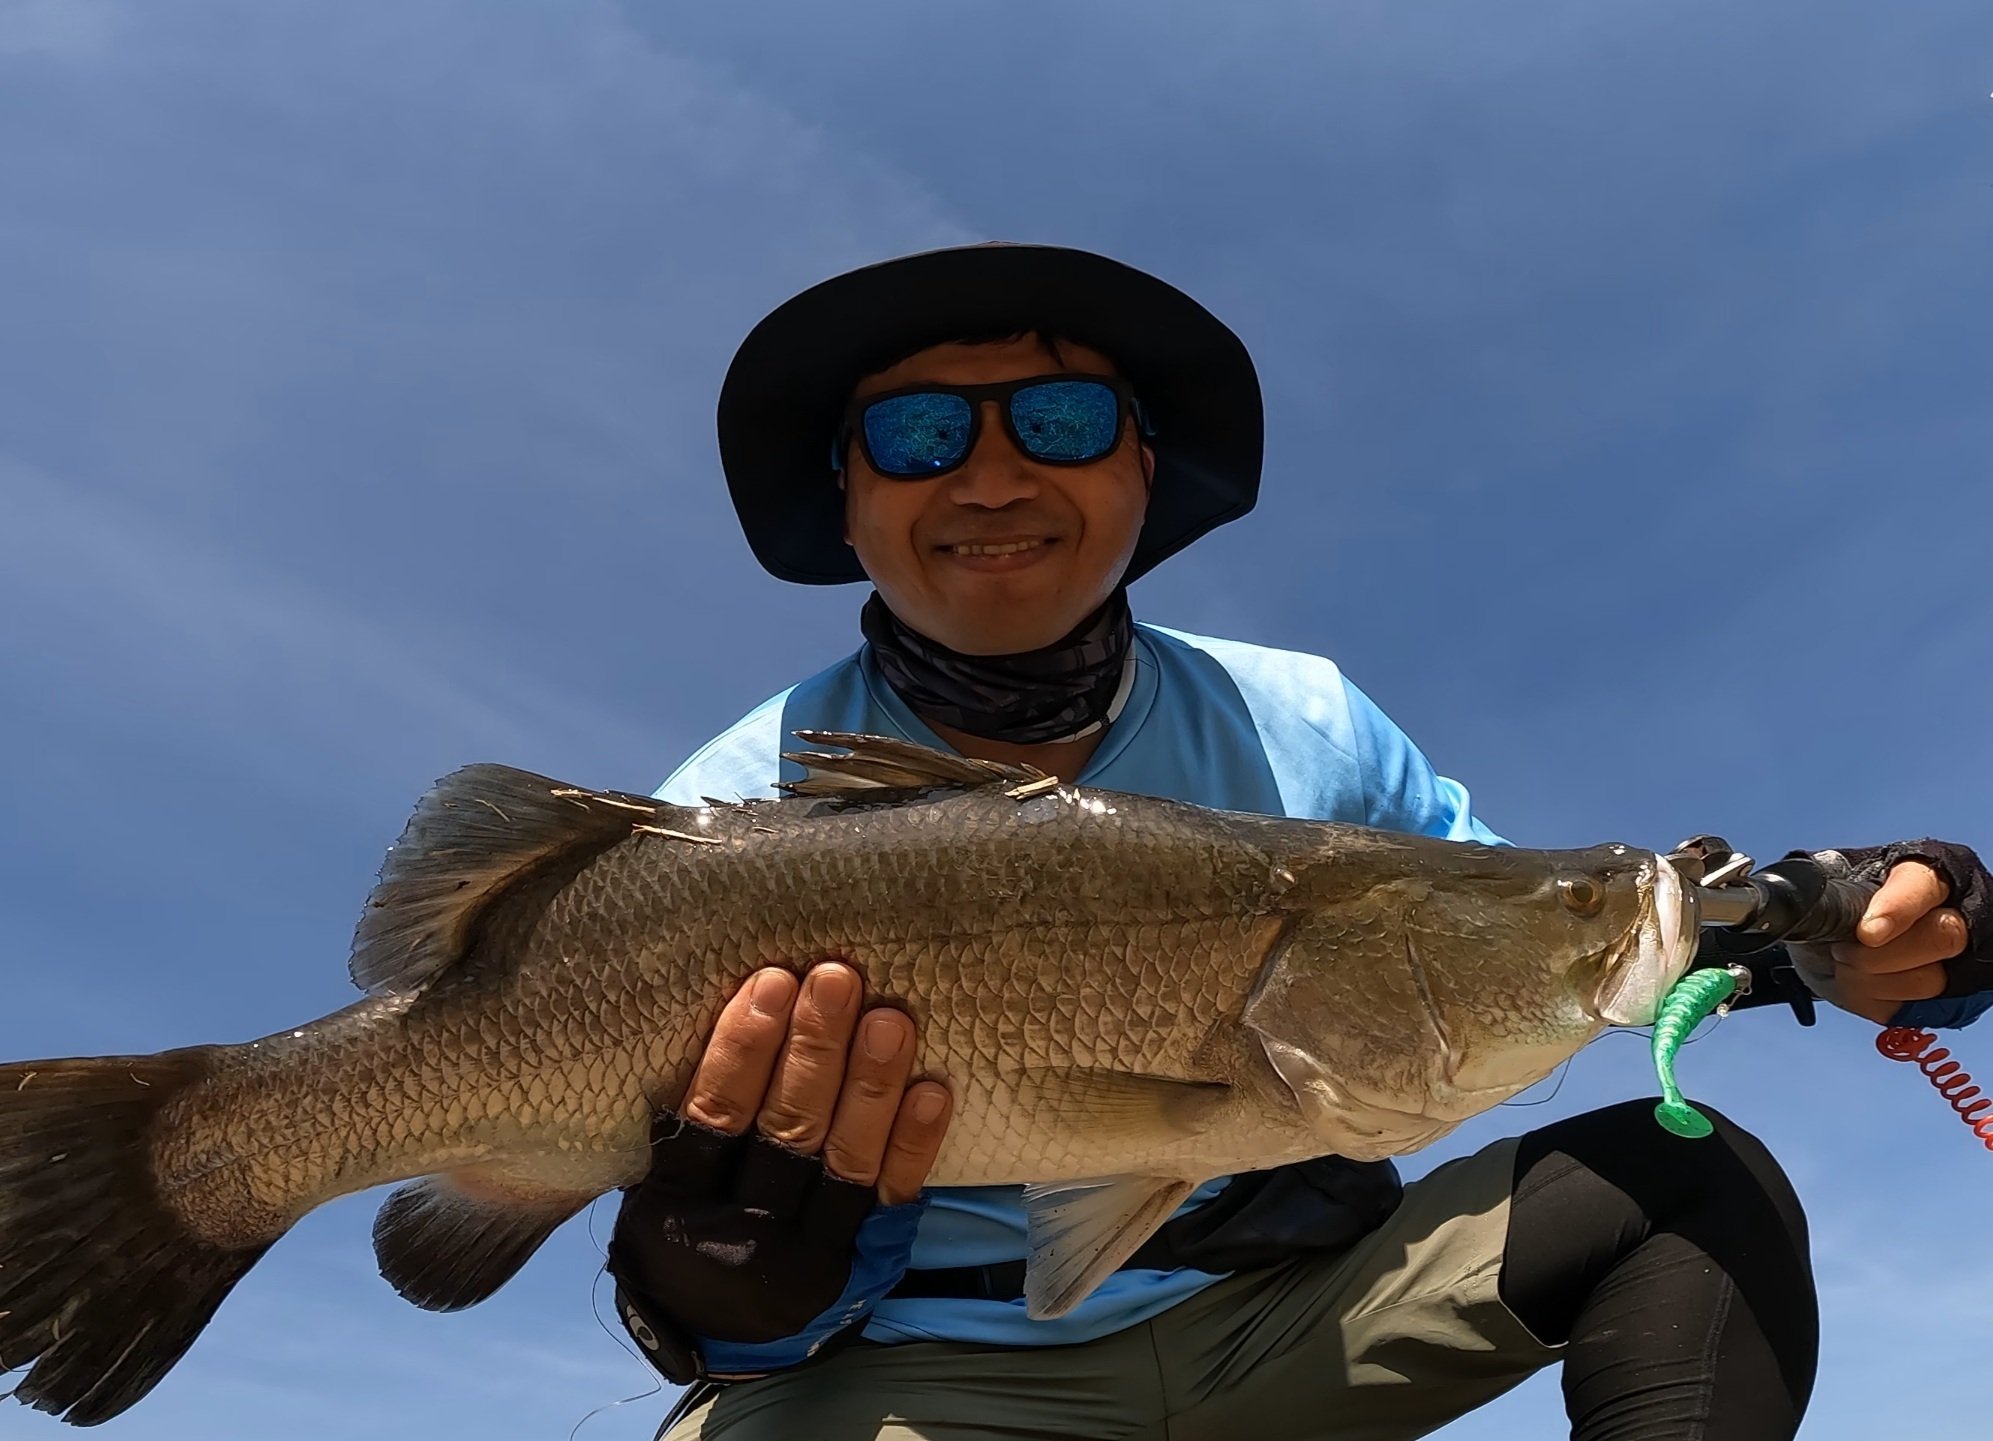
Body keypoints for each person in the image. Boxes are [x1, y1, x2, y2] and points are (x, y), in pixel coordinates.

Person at [601, 243, 1993, 1441]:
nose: (988, 475)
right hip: (896, 1379)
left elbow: (1530, 945)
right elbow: (671, 1264)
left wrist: (1827, 939)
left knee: (1693, 1185)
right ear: (843, 495)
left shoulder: (1306, 723)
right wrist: (720, 1286)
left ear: (1145, 465)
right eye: (915, 435)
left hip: (1289, 1333)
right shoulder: (718, 811)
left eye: (1064, 418)